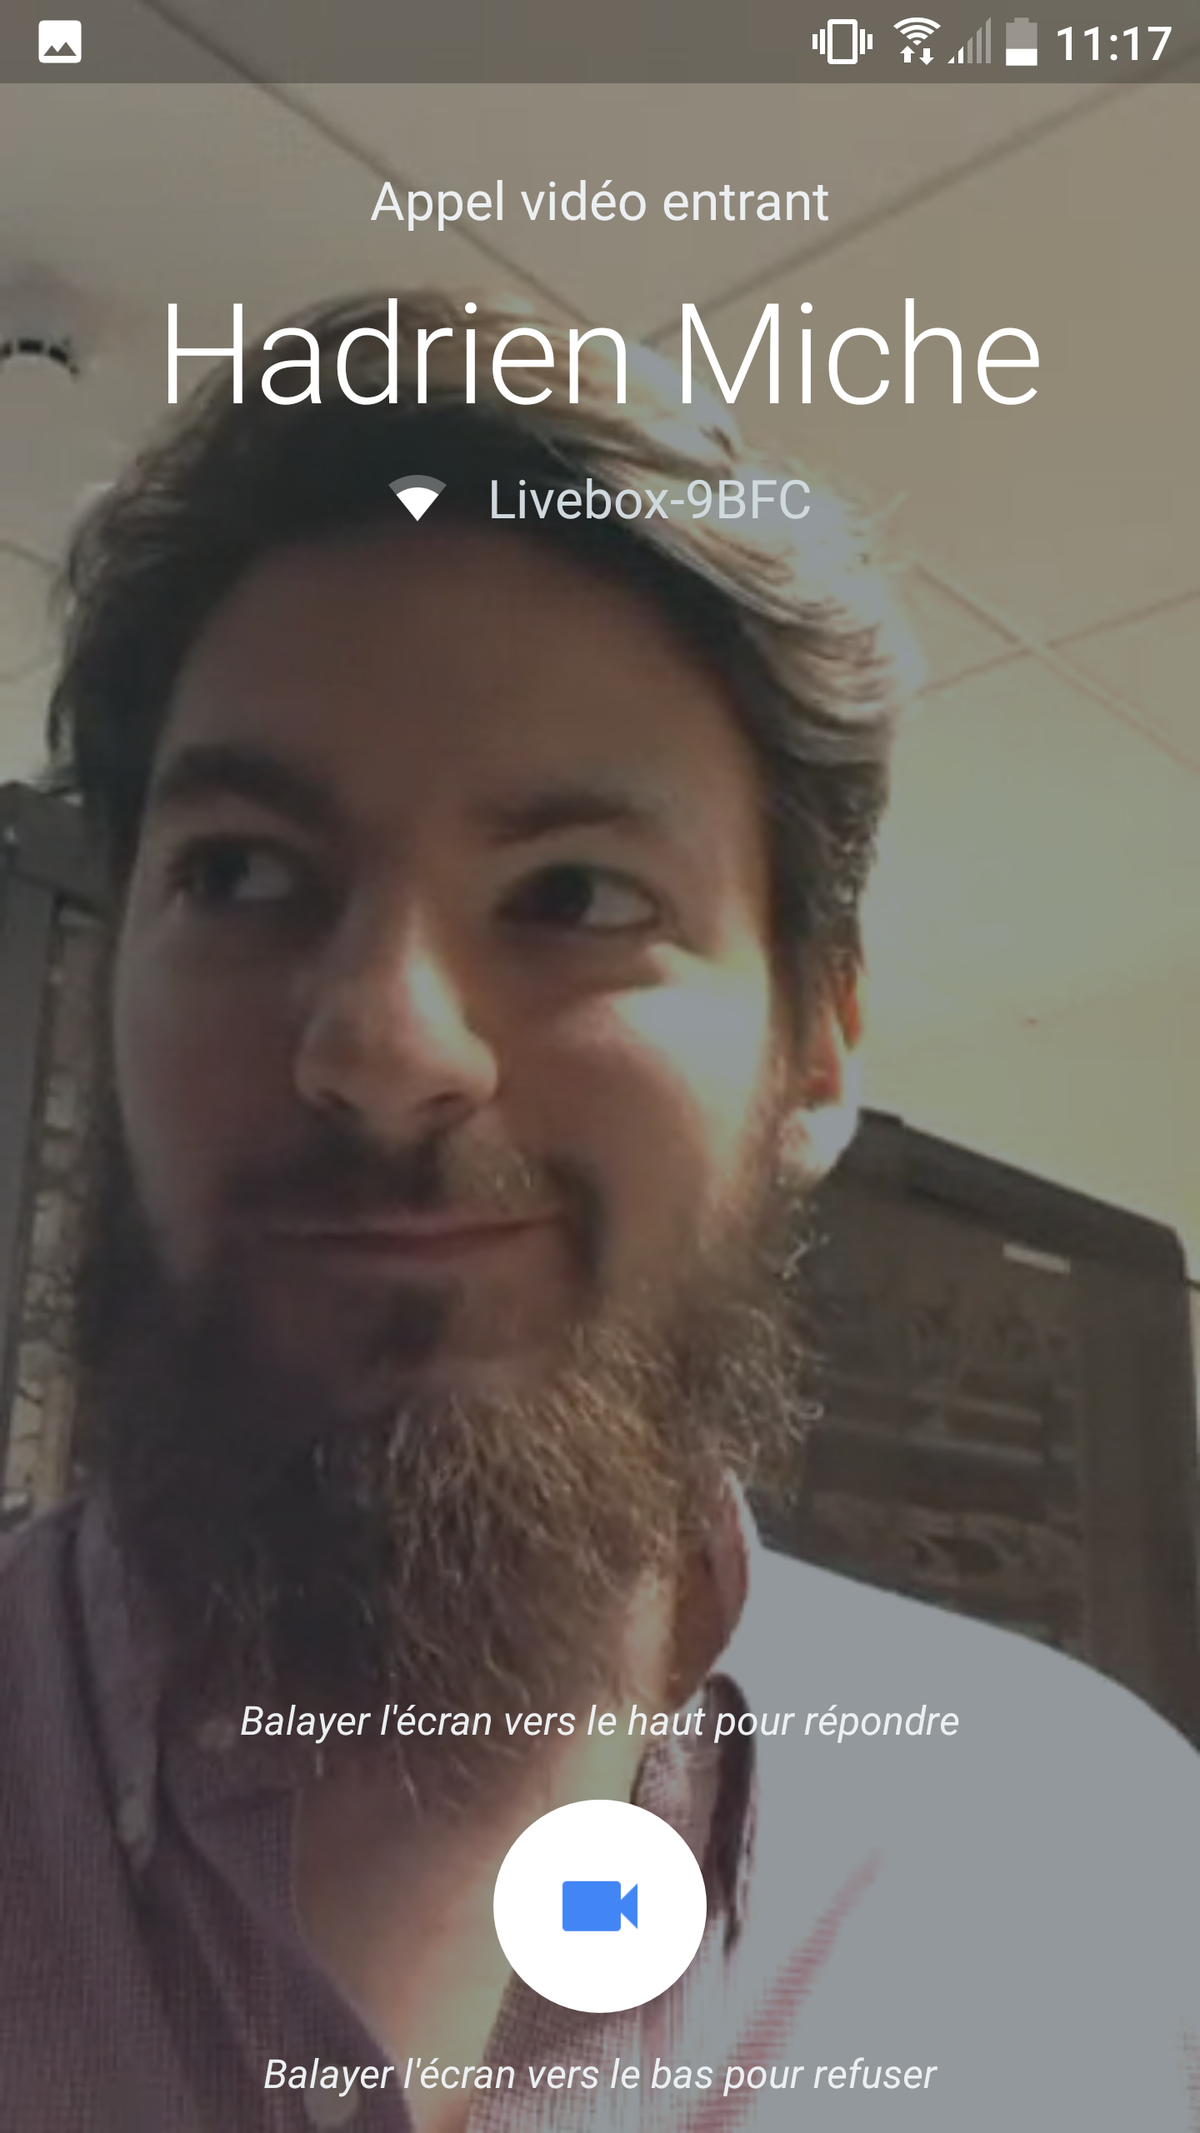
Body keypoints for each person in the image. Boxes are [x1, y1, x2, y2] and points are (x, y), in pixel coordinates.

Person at [1, 292, 1197, 2131]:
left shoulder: (1109, 1870)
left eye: (575, 893)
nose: (386, 1046)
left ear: (815, 1050)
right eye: (240, 874)